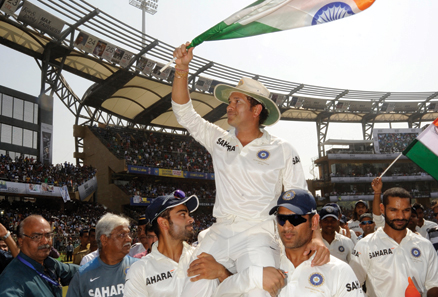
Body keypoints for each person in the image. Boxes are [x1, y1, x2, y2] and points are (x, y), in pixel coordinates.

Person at [172, 42, 325, 297]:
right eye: (229, 101)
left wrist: (316, 236)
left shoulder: (282, 149)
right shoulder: (219, 139)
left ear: (256, 110)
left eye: (237, 101)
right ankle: (225, 276)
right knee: (192, 291)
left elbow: (301, 200)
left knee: (260, 292)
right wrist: (181, 69)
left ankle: (227, 277)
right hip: (218, 233)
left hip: (258, 234)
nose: (229, 106)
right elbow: (184, 113)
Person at [214, 189, 364, 296]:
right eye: (281, 218)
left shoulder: (338, 271)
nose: (286, 226)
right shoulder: (263, 260)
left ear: (314, 221)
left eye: (295, 218)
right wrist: (254, 276)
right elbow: (220, 293)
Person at [124, 192, 235, 296]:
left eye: (189, 214)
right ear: (164, 223)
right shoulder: (140, 270)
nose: (191, 219)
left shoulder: (203, 256)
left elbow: (241, 292)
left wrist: (222, 273)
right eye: (182, 214)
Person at [350, 187, 438, 297]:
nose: (400, 216)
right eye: (393, 210)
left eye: (406, 210)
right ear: (382, 209)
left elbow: (433, 285)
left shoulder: (425, 245)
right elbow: (352, 286)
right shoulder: (365, 245)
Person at [0, 215, 79, 297]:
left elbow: (81, 271)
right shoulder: (11, 282)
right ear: (21, 241)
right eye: (36, 237)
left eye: (48, 235)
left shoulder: (49, 263)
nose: (45, 242)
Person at [66, 213, 138, 297]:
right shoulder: (83, 276)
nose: (129, 239)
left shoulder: (139, 267)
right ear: (104, 239)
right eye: (122, 234)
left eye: (129, 234)